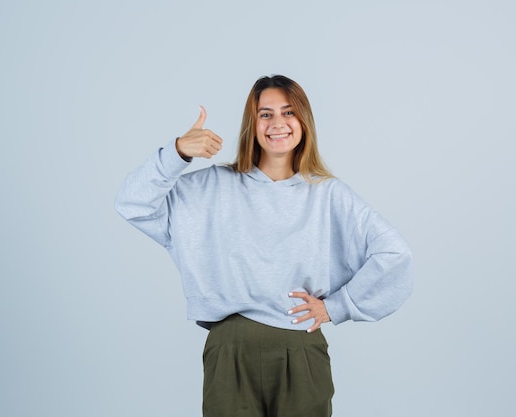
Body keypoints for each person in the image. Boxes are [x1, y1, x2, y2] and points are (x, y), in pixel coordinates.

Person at [114, 75, 413, 417]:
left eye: (289, 112)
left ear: (304, 122)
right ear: (252, 125)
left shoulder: (329, 194)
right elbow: (132, 203)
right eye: (265, 114)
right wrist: (177, 152)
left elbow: (395, 254)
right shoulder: (210, 187)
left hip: (300, 350)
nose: (278, 123)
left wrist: (337, 307)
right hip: (230, 350)